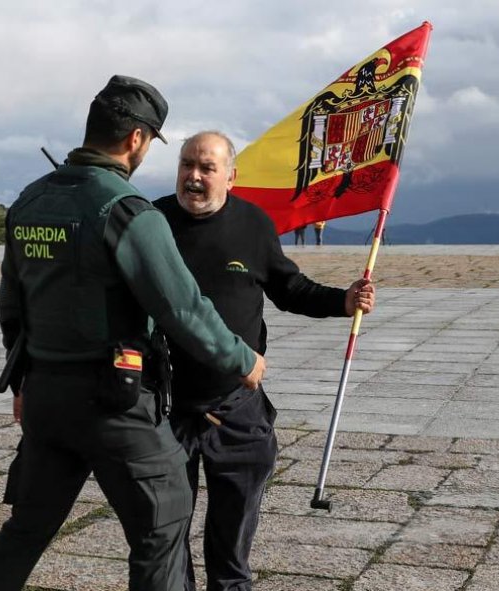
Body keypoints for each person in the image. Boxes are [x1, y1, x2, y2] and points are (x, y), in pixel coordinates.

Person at [0, 78, 266, 591]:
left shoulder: (28, 203)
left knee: (27, 527)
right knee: (165, 521)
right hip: (114, 402)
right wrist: (242, 359)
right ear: (136, 139)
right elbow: (182, 307)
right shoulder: (128, 210)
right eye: (151, 143)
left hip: (45, 398)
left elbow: (11, 310)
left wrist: (23, 384)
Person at [153, 131, 375, 591]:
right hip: (165, 407)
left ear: (230, 177)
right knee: (165, 538)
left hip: (237, 406)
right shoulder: (151, 223)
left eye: (207, 168)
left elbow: (289, 288)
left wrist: (344, 301)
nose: (193, 176)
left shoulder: (253, 225)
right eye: (186, 164)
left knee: (232, 542)